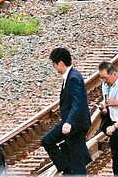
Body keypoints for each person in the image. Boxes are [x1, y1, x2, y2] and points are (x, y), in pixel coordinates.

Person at [42, 47, 91, 175]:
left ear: (61, 63)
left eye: (54, 65)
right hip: (75, 123)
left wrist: (69, 122)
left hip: (76, 124)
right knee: (76, 155)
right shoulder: (72, 75)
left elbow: (77, 102)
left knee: (50, 141)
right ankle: (68, 169)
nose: (54, 68)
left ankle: (68, 169)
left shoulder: (73, 78)